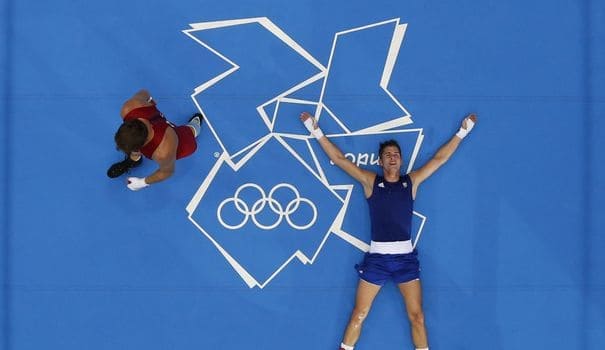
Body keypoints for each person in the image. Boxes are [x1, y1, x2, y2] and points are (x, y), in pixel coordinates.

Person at [299, 111, 477, 350]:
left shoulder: (411, 182)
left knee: (418, 317)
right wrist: (315, 129)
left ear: (401, 160)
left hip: (406, 260)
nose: (392, 158)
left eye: (396, 154)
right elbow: (340, 160)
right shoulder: (370, 182)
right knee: (359, 314)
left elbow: (439, 160)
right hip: (377, 260)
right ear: (380, 162)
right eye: (387, 155)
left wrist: (462, 132)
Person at [107, 89, 202, 191]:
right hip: (158, 128)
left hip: (180, 139)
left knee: (192, 131)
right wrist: (151, 102)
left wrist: (142, 182)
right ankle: (134, 161)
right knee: (131, 144)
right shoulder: (129, 108)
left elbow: (167, 171)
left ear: (143, 144)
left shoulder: (163, 152)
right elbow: (144, 93)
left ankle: (195, 124)